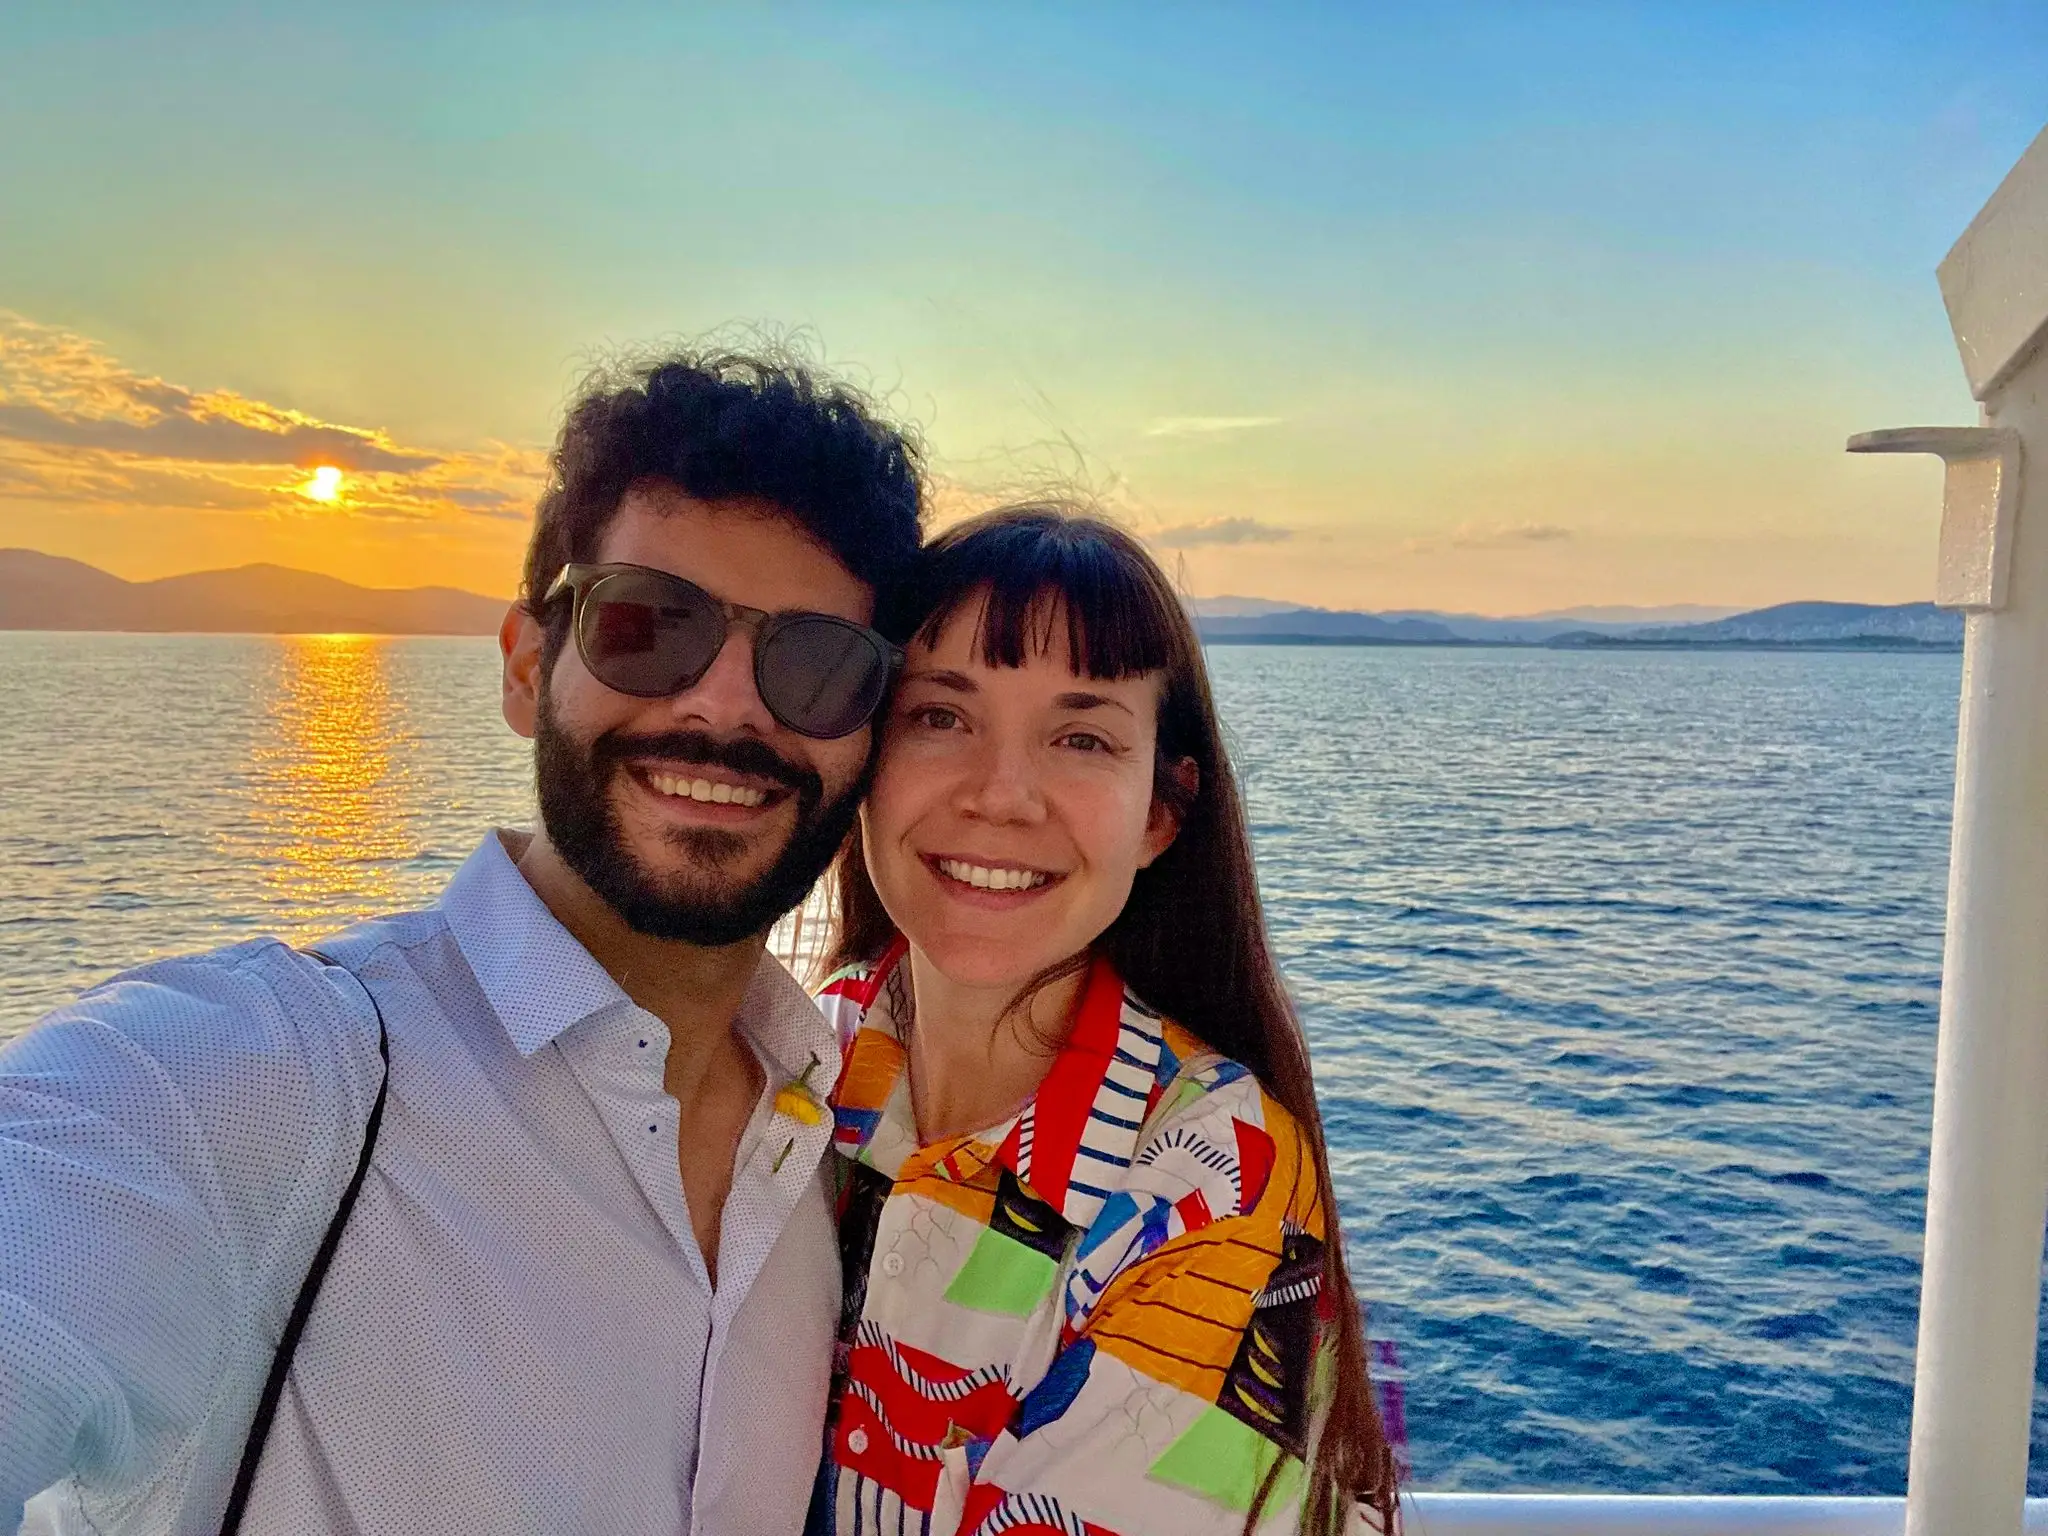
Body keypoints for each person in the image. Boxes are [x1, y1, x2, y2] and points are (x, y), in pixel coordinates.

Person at [0, 347, 923, 1535]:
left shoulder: (819, 1149)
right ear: (528, 666)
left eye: (813, 661)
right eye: (650, 625)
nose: (725, 708)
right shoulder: (260, 1086)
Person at [814, 507, 1400, 1536]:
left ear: (1160, 815)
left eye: (1080, 738)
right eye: (939, 716)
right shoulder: (796, 1056)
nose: (1001, 795)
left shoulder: (1209, 1181)